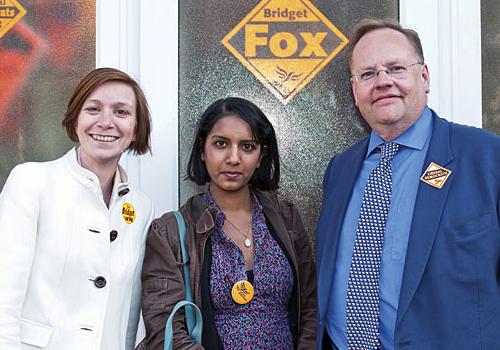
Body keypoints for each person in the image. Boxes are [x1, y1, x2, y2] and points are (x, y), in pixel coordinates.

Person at [316, 18, 500, 350]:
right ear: (355, 89)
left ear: (424, 77)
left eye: (396, 68)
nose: (383, 81)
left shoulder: (486, 157)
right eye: (368, 74)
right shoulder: (340, 170)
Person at [141, 97, 316, 349]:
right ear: (203, 149)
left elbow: (309, 306)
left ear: (260, 155)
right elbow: (164, 326)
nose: (234, 158)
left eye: (247, 147)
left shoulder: (285, 218)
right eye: (221, 144)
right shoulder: (170, 231)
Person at [0, 67, 154, 349]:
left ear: (136, 129)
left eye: (121, 112)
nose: (106, 122)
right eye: (93, 109)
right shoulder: (31, 181)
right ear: (75, 121)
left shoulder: (140, 206)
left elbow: (129, 314)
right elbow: (3, 293)